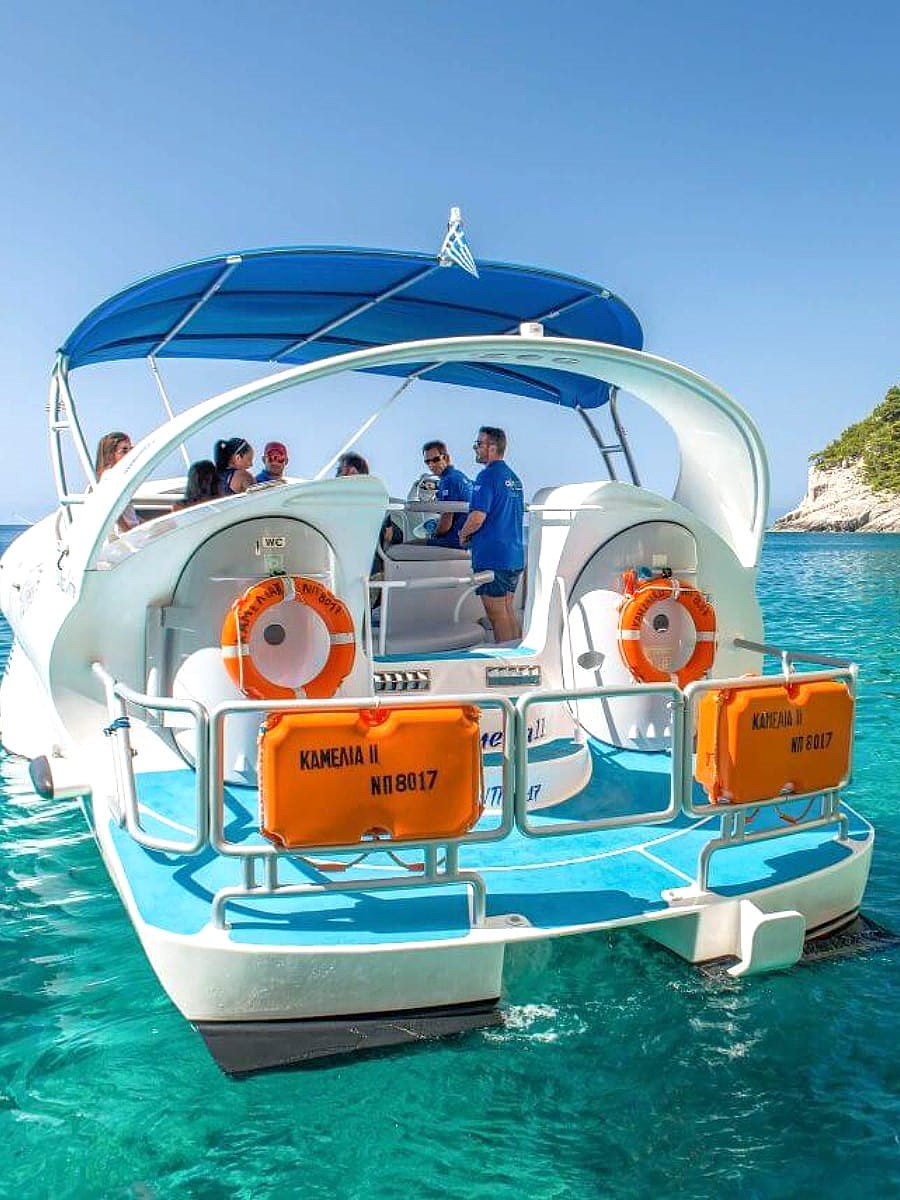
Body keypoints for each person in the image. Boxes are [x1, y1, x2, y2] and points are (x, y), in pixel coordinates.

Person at [458, 426, 525, 644]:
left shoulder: (487, 476)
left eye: (479, 444)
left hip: (493, 558)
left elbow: (477, 517)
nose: (475, 449)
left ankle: (508, 670)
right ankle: (518, 662)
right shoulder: (514, 478)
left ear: (492, 447)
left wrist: (463, 533)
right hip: (513, 556)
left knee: (497, 616)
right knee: (507, 611)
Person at [422, 440, 472, 548]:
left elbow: (445, 524)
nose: (431, 465)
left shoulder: (447, 480)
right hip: (468, 541)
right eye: (427, 462)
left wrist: (433, 534)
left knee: (403, 546)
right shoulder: (461, 476)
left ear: (446, 458)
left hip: (453, 541)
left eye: (435, 460)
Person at [95, 431, 139, 533]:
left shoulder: (119, 476)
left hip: (133, 530)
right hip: (125, 537)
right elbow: (111, 510)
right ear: (110, 455)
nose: (129, 454)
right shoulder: (110, 477)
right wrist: (128, 532)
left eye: (130, 449)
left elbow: (129, 514)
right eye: (124, 451)